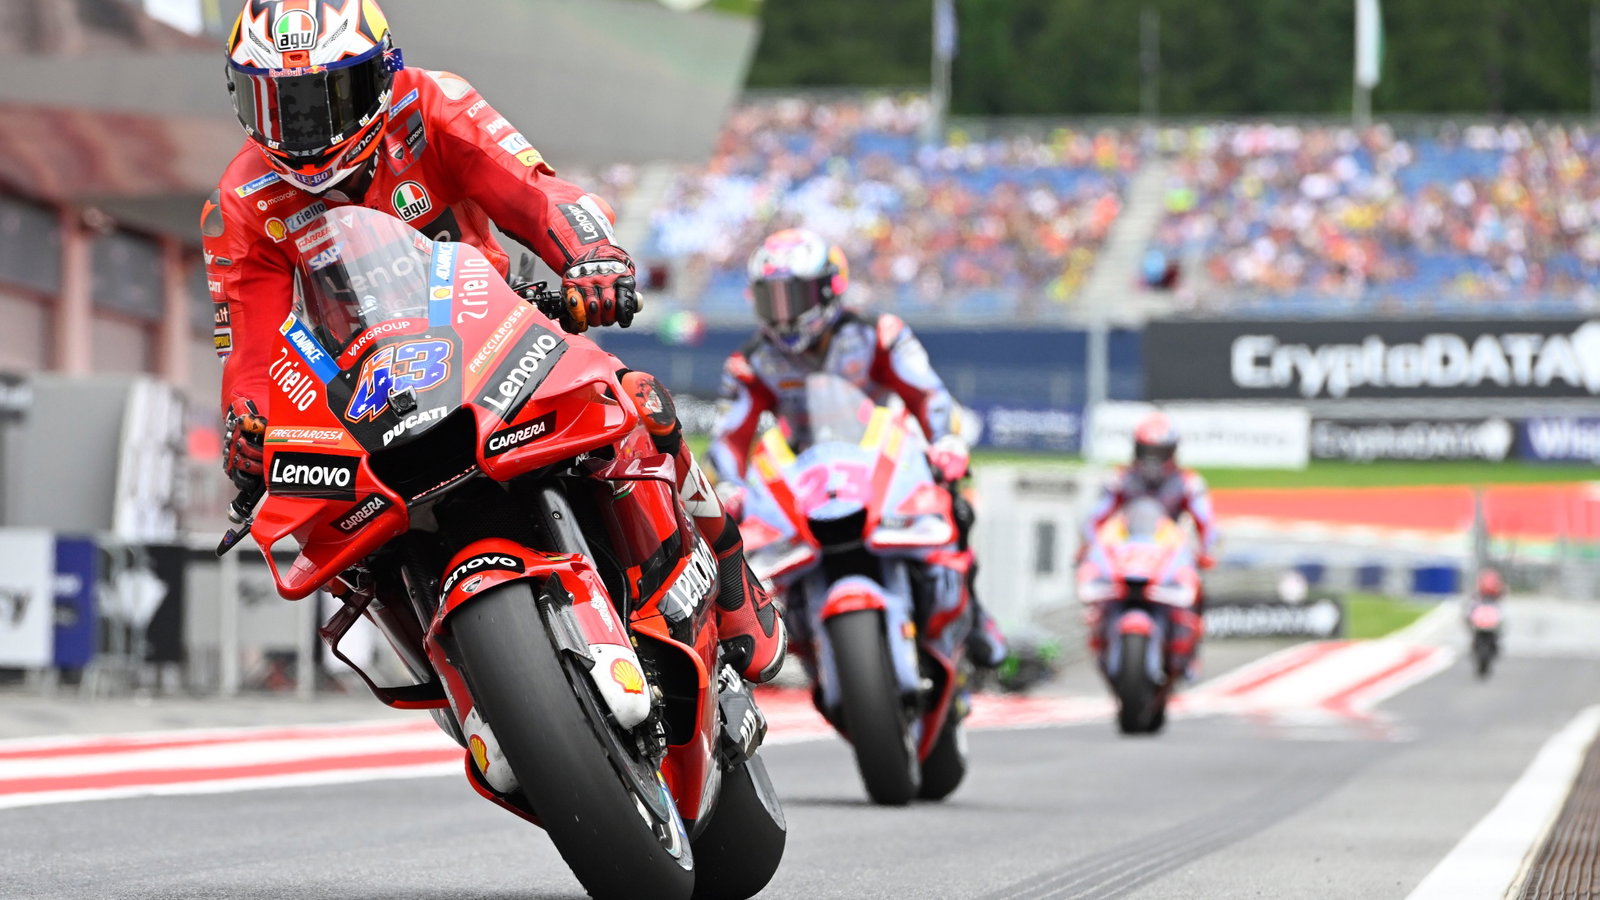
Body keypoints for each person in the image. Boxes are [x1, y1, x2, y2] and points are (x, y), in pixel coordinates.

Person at [206, 0, 782, 683]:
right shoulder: (243, 198)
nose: (303, 130)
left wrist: (591, 255)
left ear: (379, 75)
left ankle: (732, 579)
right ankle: (456, 675)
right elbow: (253, 346)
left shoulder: (432, 105)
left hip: (497, 331)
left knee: (636, 402)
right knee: (334, 536)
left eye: (324, 98)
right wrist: (250, 426)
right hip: (368, 392)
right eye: (278, 104)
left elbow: (533, 192)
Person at [708, 227, 1007, 668]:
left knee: (957, 501)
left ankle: (974, 613)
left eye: (796, 296)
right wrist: (730, 484)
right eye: (774, 299)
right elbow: (729, 436)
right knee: (742, 542)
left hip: (886, 458)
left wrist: (944, 440)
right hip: (807, 472)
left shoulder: (879, 334)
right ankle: (795, 627)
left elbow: (928, 394)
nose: (785, 313)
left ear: (831, 287)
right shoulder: (751, 361)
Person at [1082, 412, 1216, 677]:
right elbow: (1094, 518)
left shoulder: (1189, 483)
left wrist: (1206, 552)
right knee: (1100, 593)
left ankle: (1189, 652)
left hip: (1168, 554)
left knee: (1197, 590)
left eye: (1159, 452)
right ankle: (1103, 636)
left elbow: (1207, 523)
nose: (1152, 459)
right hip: (1127, 551)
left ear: (1171, 452)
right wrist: (1087, 546)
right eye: (1147, 451)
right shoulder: (1119, 479)